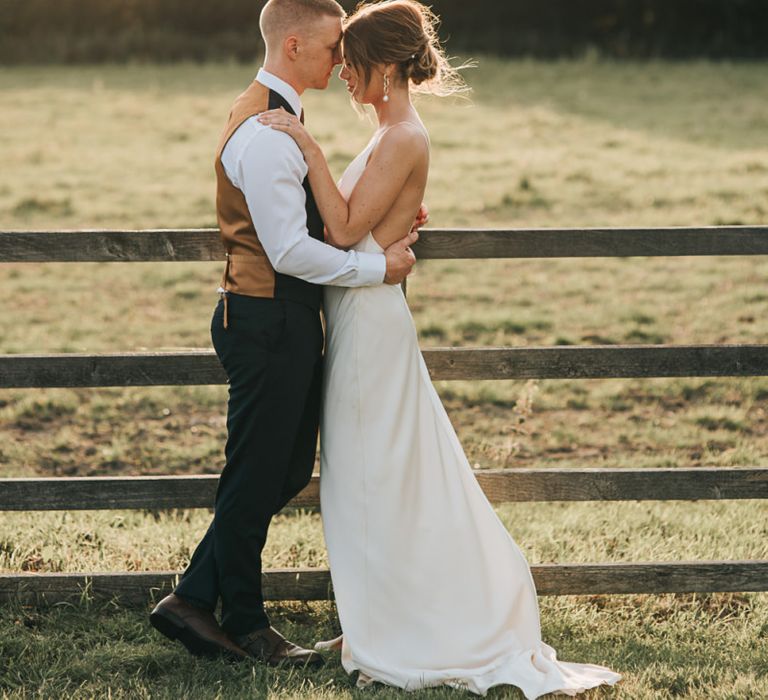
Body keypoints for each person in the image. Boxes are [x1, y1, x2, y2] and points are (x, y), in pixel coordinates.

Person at [256, 0, 624, 696]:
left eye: (352, 62)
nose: (341, 74)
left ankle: (394, 628)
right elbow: (359, 222)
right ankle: (378, 618)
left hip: (369, 329)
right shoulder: (393, 134)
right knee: (369, 481)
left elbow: (338, 232)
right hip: (363, 317)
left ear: (386, 67)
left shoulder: (403, 139)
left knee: (371, 481)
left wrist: (306, 148)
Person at [149, 0, 422, 666]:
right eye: (333, 47)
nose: (342, 60)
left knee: (282, 468)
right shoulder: (269, 132)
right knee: (256, 473)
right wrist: (376, 267)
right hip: (265, 319)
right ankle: (242, 621)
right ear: (295, 45)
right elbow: (291, 252)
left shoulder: (282, 119)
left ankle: (195, 597)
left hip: (283, 320)